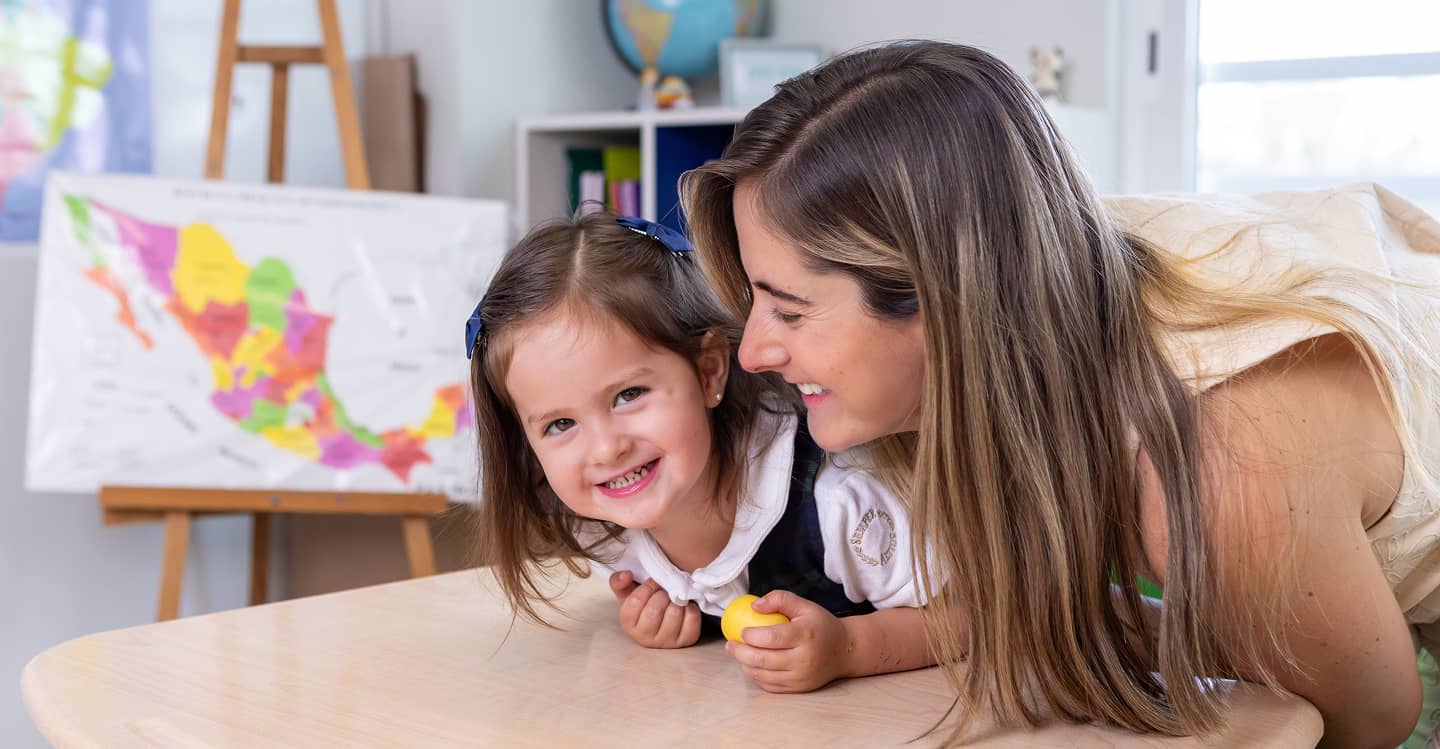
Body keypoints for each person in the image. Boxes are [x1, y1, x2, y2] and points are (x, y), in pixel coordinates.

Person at [682, 40, 1440, 747]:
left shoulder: (1217, 477)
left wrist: (1082, 617)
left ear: (944, 299)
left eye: (790, 309)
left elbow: (1367, 719)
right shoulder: (1058, 269)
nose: (754, 350)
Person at [465, 211, 935, 693]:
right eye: (561, 424)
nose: (606, 449)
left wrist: (848, 649)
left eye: (629, 395)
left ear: (709, 372)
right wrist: (663, 615)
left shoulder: (840, 504)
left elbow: (972, 616)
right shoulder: (606, 528)